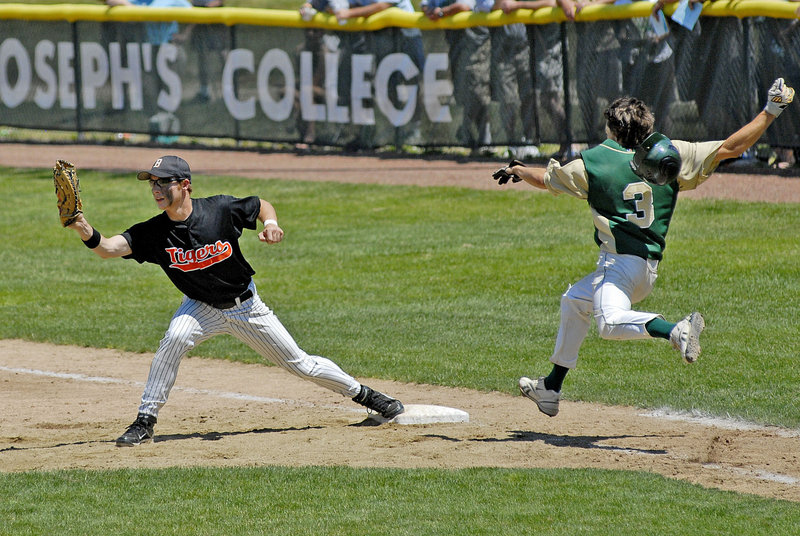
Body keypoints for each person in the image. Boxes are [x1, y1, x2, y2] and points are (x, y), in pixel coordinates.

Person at [491, 78, 794, 417]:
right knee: (575, 301)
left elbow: (548, 180)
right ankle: (551, 388)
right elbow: (732, 148)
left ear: (613, 129)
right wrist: (772, 109)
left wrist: (517, 169)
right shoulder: (671, 154)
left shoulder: (593, 163)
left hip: (618, 266)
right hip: (646, 268)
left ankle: (675, 331)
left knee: (609, 323)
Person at [61, 155, 405, 446]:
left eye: (163, 182)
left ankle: (367, 396)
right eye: (151, 183)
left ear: (185, 185)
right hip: (200, 307)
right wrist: (82, 228)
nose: (156, 190)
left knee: (300, 364)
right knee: (175, 338)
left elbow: (259, 204)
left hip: (246, 307)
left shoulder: (220, 209)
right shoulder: (153, 232)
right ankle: (145, 421)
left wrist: (270, 223)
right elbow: (108, 248)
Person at [423, 0, 493, 152]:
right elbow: (426, 4)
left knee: (478, 90)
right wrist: (429, 9)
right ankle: (471, 137)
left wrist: (441, 12)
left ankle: (483, 138)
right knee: (461, 91)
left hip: (476, 38)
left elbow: (464, 6)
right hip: (455, 41)